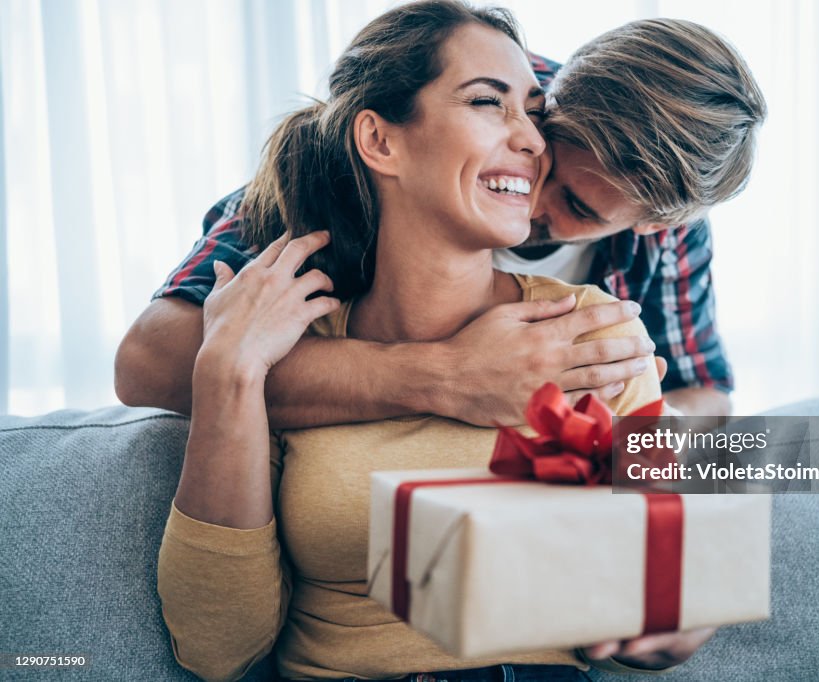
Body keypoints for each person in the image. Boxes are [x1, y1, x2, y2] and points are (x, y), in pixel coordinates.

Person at [156, 3, 713, 680]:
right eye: (487, 101)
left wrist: (680, 602)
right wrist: (232, 374)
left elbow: (667, 583)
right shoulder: (280, 334)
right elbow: (218, 647)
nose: (537, 144)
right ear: (381, 142)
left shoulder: (600, 336)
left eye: (535, 115)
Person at [114, 11, 766, 427]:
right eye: (541, 134)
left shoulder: (667, 224)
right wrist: (446, 376)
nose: (531, 193)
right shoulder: (454, 109)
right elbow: (150, 360)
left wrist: (623, 445)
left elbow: (704, 397)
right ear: (557, 91)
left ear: (653, 225)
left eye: (576, 208)